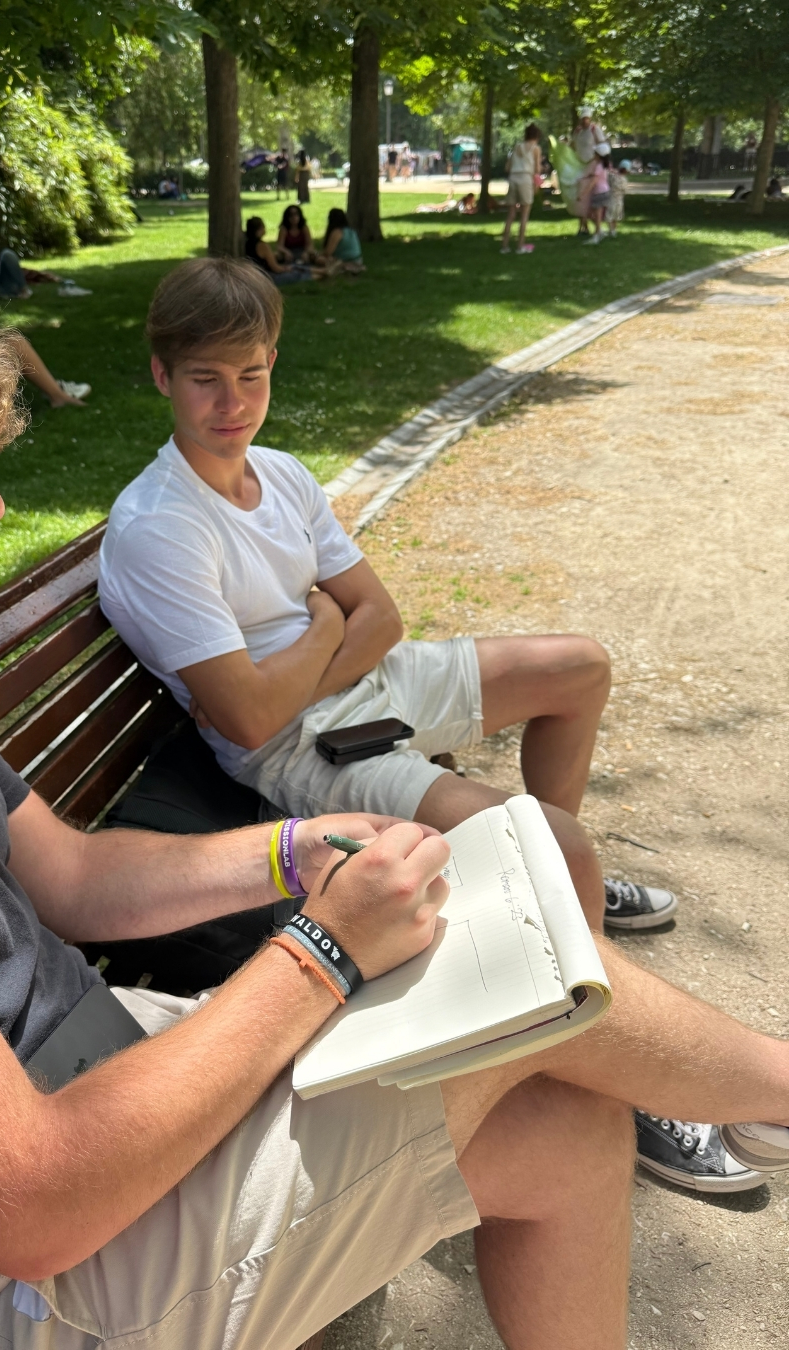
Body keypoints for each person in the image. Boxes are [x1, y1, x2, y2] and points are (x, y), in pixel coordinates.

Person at [0, 252, 789, 1350]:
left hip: (94, 1073)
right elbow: (28, 1205)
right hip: (14, 1286)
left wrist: (291, 850)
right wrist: (322, 950)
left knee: (550, 1096)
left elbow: (72, 876)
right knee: (512, 1000)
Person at [98, 256, 789, 1194]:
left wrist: (327, 634)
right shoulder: (158, 528)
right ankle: (629, 1091)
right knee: (555, 844)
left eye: (252, 374)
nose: (233, 402)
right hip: (297, 748)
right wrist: (330, 624)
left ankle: (561, 905)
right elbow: (253, 711)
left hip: (362, 684)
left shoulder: (282, 474)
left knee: (577, 668)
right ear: (160, 376)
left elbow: (377, 613)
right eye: (206, 379)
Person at [500, 123, 541, 254]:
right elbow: (537, 170)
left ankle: (504, 246)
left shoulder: (517, 146)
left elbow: (507, 167)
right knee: (524, 215)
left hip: (513, 178)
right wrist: (537, 185)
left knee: (510, 215)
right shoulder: (536, 148)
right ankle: (520, 246)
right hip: (525, 179)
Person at [245, 215, 317, 285]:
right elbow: (275, 268)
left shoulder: (248, 243)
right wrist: (285, 269)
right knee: (295, 273)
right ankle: (319, 274)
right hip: (268, 276)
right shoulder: (262, 246)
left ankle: (321, 271)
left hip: (256, 275)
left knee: (294, 267)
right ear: (260, 228)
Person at [571, 107, 606, 236]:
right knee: (581, 196)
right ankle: (583, 225)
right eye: (583, 119)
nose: (585, 121)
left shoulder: (594, 130)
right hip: (580, 165)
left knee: (593, 197)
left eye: (587, 119)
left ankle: (597, 227)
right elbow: (573, 145)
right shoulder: (578, 131)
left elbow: (602, 146)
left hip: (592, 165)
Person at [319, 208, 366, 274]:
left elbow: (327, 253)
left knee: (320, 259)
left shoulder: (337, 232)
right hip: (358, 260)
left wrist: (317, 254)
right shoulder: (351, 231)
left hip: (344, 261)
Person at [583, 151, 612, 245]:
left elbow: (593, 182)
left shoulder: (599, 166)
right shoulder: (604, 165)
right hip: (605, 190)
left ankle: (597, 235)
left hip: (598, 192)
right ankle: (600, 231)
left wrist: (583, 193)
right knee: (592, 214)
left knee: (596, 215)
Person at [605, 161, 627, 237]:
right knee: (615, 216)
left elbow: (608, 181)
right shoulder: (624, 179)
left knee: (610, 216)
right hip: (619, 200)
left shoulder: (613, 176)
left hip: (612, 199)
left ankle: (611, 230)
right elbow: (624, 190)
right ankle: (613, 231)